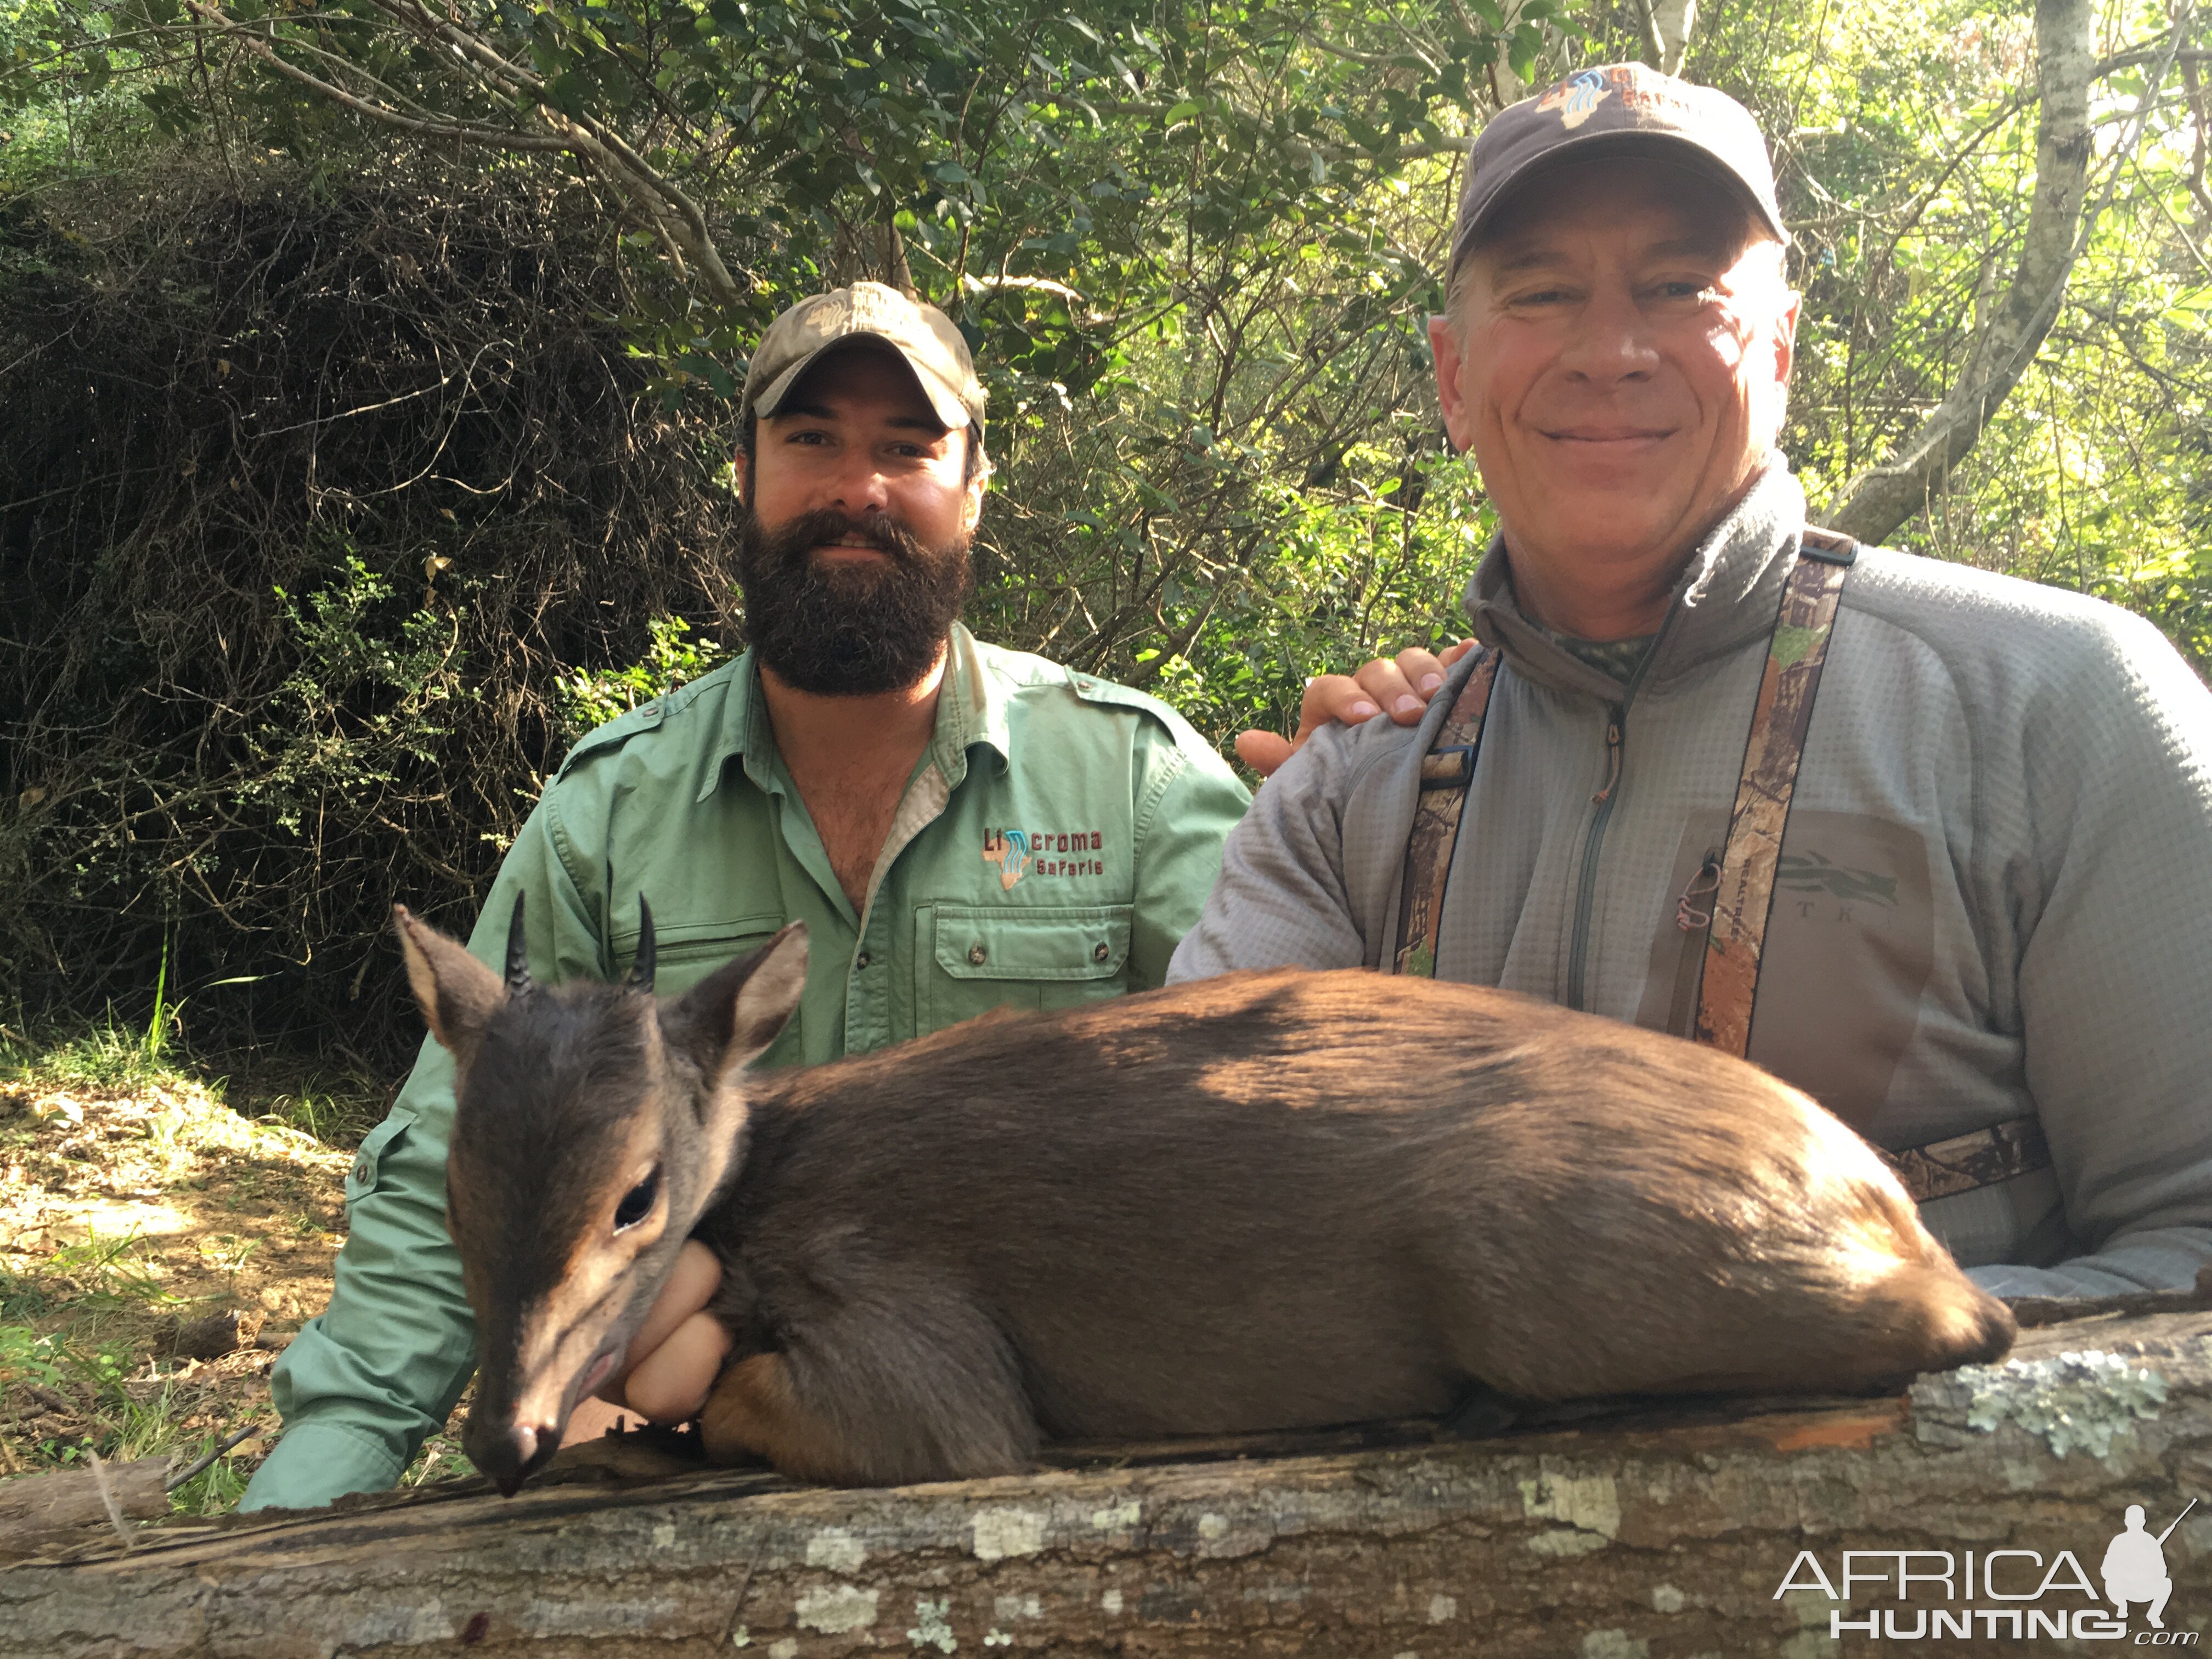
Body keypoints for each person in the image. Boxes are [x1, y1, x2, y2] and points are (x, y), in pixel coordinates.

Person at [1173, 63, 2212, 1300]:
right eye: (1545, 293)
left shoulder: (2057, 705)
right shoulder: (1347, 802)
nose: (1610, 352)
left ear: (1778, 349)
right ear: (1454, 381)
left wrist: (1774, 1347)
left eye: (1678, 288)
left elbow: (2192, 1239)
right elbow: (1202, 1241)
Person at [242, 282, 1250, 1511]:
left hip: (1056, 1441)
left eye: (906, 449)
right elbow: (443, 1178)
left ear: (975, 487)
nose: (856, 488)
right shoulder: (612, 815)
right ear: (745, 471)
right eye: (812, 439)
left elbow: (1262, 1093)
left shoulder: (1137, 781)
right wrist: (303, 1505)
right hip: (689, 1441)